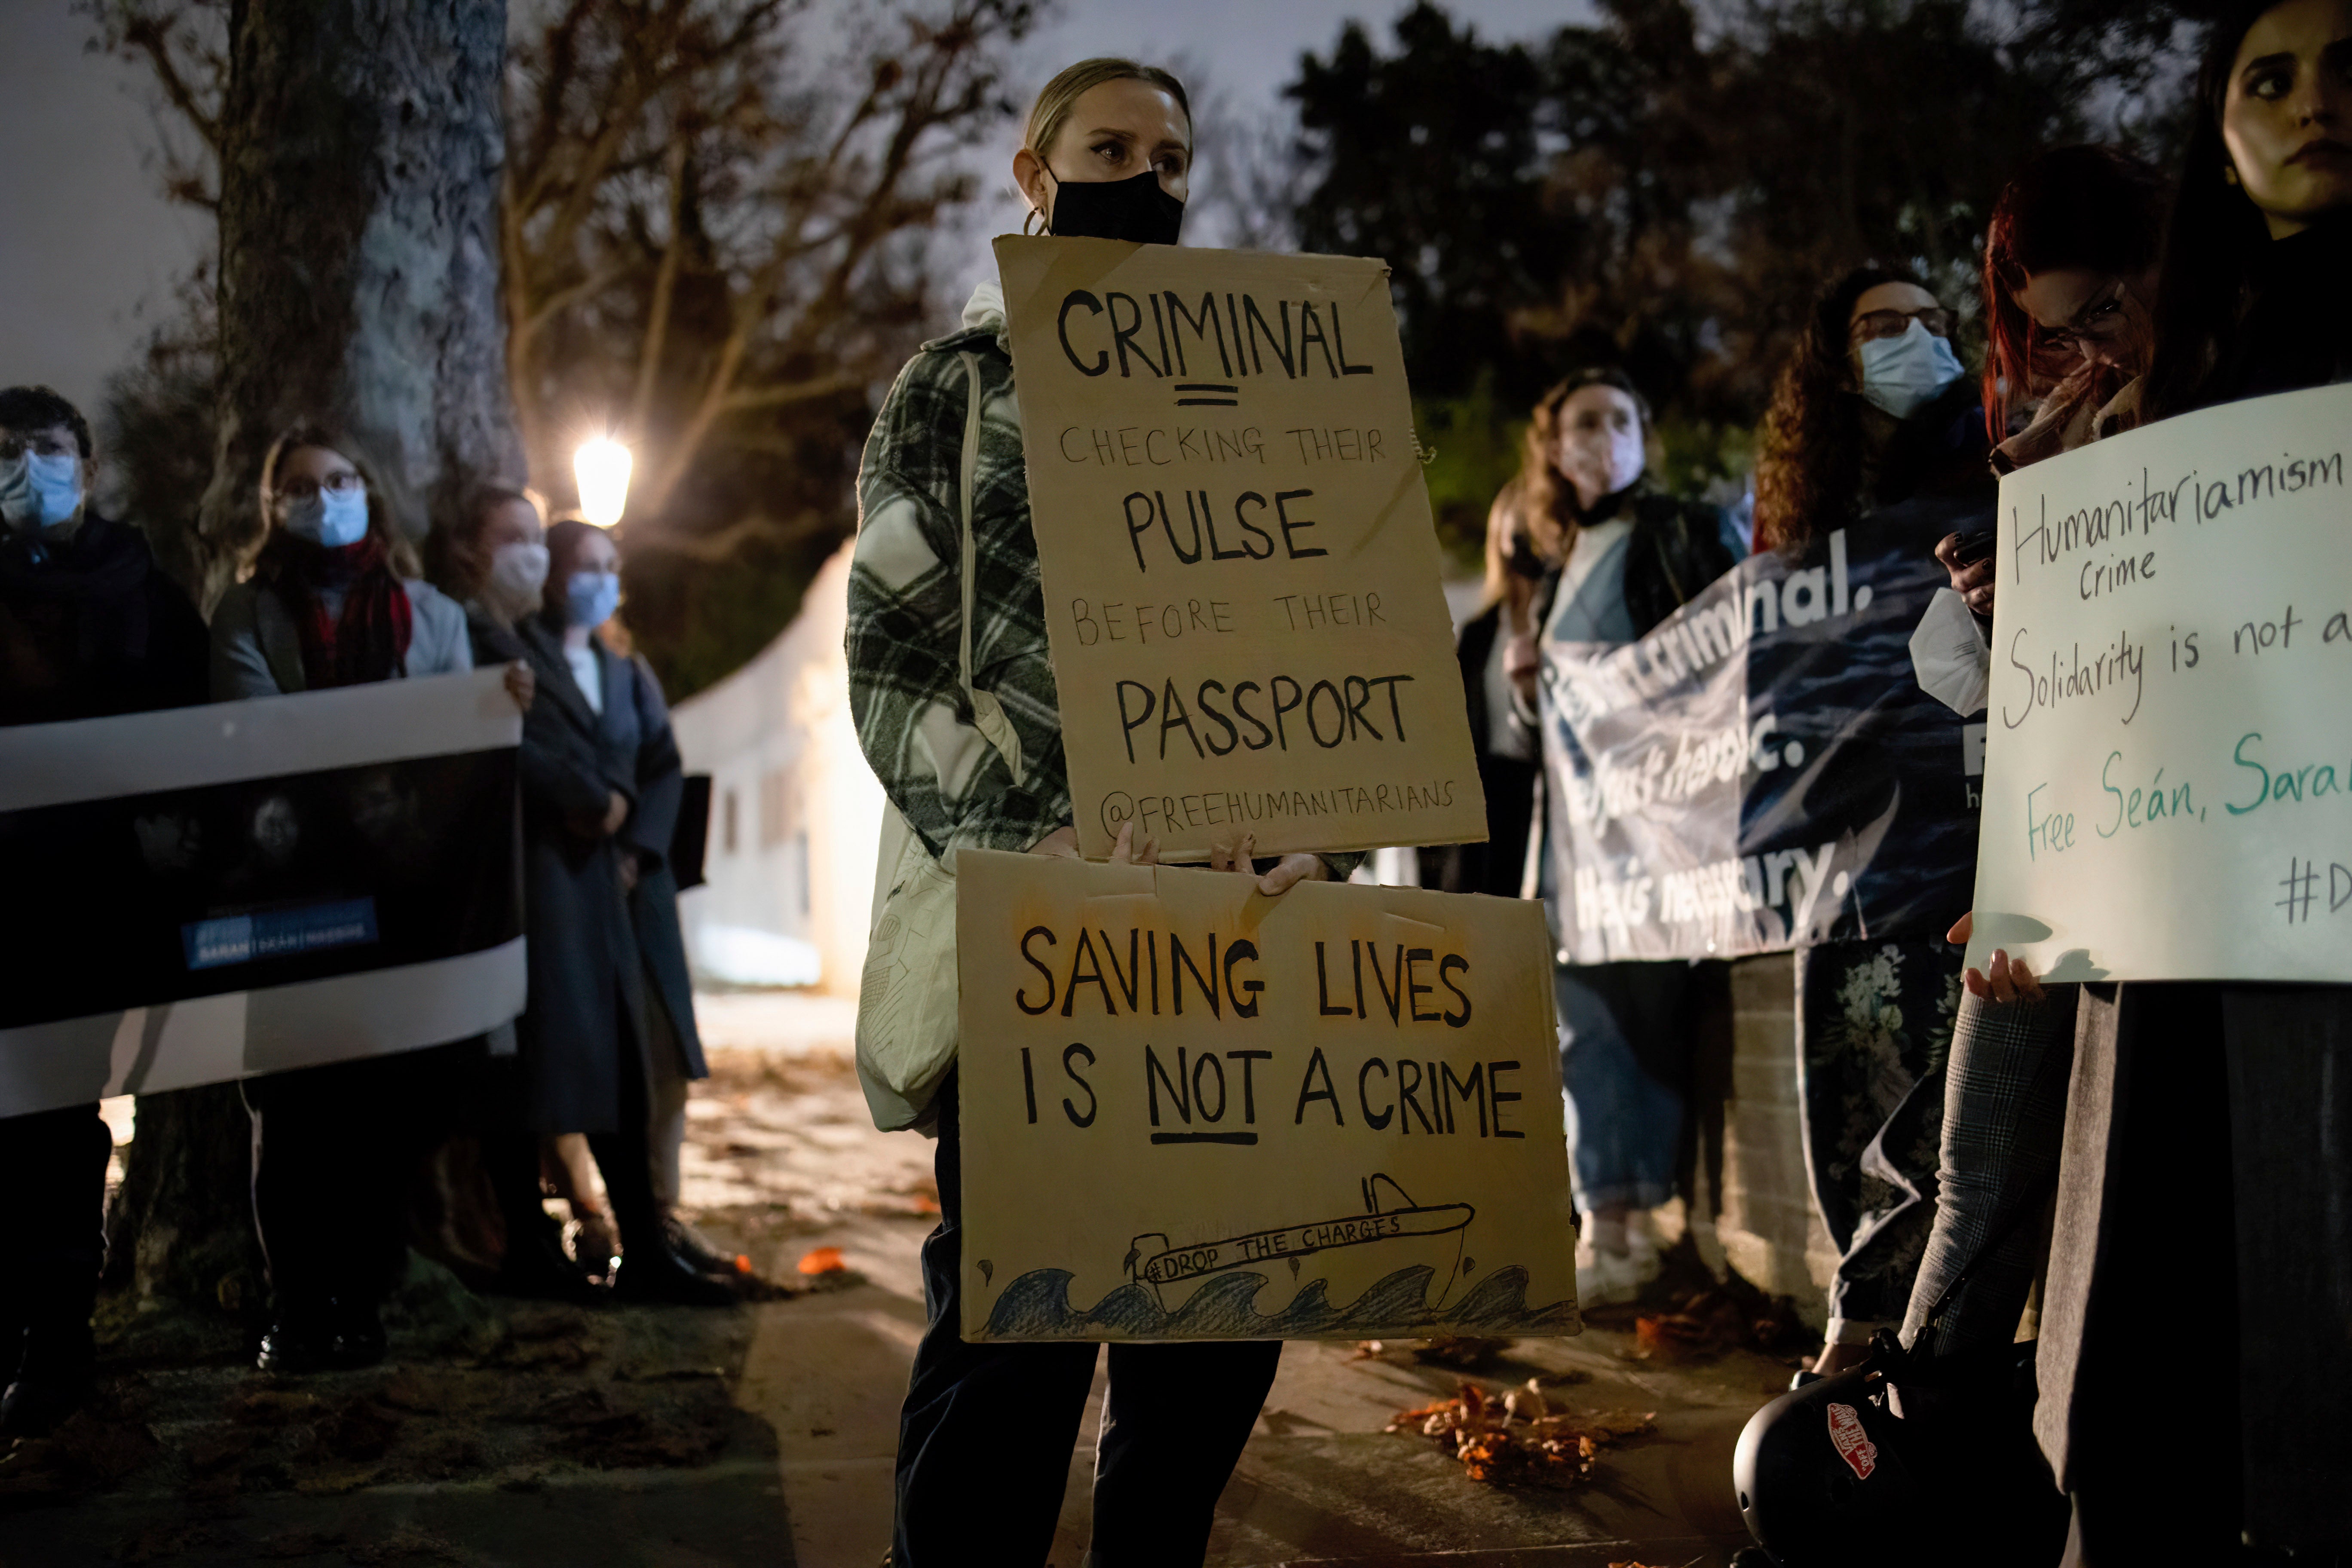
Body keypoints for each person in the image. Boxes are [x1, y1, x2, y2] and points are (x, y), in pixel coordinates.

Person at [847, 58, 1357, 1568]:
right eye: (1111, 144)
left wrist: (1322, 816)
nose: (1148, 171)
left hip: (1229, 926)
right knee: (1019, 1337)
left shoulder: (1262, 397)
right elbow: (887, 653)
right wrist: (1025, 842)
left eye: (1173, 152)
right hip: (1039, 933)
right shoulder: (955, 385)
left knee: (1213, 1332)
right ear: (1032, 170)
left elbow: (1324, 639)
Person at [1992, 4, 2352, 1559]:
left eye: (2349, 66)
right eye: (2267, 77)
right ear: (2215, 123)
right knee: (2158, 1378)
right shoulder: (2157, 396)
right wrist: (2031, 886)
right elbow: (2107, 682)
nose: (2313, 103)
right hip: (2178, 973)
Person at [1895, 146, 2171, 1367]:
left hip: (2194, 873)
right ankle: (1901, 1456)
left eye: (2107, 311)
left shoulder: (2254, 417)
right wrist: (2008, 608)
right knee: (1977, 1174)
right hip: (2055, 855)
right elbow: (2017, 692)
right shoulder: (2049, 447)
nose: (2092, 353)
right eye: (2058, 338)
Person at [210, 422, 520, 1372]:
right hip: (291, 896)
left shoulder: (430, 612)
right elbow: (259, 739)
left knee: (384, 1110)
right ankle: (299, 1306)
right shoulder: (246, 615)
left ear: (369, 491)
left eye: (339, 480)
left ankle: (367, 1298)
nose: (323, 497)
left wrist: (499, 698)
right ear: (272, 507)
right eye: (300, 486)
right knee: (291, 1107)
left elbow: (453, 741)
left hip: (401, 899)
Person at [1751, 266, 1990, 1377]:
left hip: (1968, 859)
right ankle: (1859, 1370)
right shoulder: (1805, 516)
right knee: (1847, 1129)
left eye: (1936, 324)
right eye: (1883, 326)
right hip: (1845, 875)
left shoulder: (1995, 466)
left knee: (1949, 1136)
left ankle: (1906, 1372)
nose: (1914, 342)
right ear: (1833, 357)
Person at [0, 385, 209, 1435]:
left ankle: (55, 1334)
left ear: (84, 465)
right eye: (6, 452)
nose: (26, 467)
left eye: (44, 448)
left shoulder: (147, 595)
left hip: (89, 913)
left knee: (59, 1126)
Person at [1511, 368, 1743, 1303]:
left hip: (1650, 833)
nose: (1603, 436)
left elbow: (1722, 652)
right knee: (1583, 1025)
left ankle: (1634, 1225)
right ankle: (1602, 1222)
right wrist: (1531, 691)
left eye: (1621, 418)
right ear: (1554, 448)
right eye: (1584, 423)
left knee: (1639, 1014)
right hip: (1576, 835)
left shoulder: (1681, 531)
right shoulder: (1560, 560)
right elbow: (1555, 724)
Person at [504, 515, 729, 1305]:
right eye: (581, 565)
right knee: (568, 1064)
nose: (597, 579)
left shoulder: (626, 670)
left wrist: (638, 844)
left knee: (647, 1062)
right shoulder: (515, 655)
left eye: (609, 564)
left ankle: (652, 1233)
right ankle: (576, 1232)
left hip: (632, 892)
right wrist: (590, 801)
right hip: (560, 891)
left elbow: (663, 764)